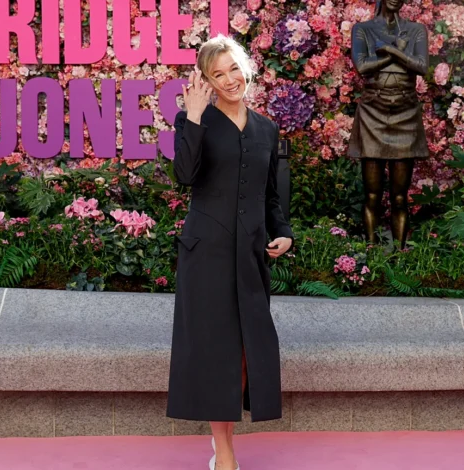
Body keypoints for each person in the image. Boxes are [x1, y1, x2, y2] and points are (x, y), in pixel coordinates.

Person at [166, 34, 294, 470]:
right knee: (217, 350)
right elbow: (184, 175)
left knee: (246, 349)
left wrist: (284, 232)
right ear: (205, 81)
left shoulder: (266, 128)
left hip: (251, 252)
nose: (229, 79)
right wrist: (196, 116)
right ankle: (224, 449)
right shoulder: (192, 120)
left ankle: (227, 438)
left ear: (245, 68)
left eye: (233, 69)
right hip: (207, 253)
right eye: (217, 74)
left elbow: (271, 195)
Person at [348, 0, 430, 245]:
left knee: (399, 198)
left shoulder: (416, 30)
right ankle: (372, 253)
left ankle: (400, 254)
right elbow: (362, 66)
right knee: (372, 195)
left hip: (406, 112)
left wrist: (390, 50)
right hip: (373, 111)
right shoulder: (363, 29)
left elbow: (422, 67)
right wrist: (400, 53)